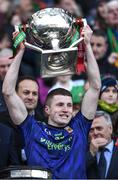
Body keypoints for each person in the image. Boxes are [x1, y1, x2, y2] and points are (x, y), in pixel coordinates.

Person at [2, 25, 101, 179]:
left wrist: (87, 45)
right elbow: (8, 92)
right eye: (60, 105)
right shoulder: (32, 128)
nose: (66, 109)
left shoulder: (79, 127)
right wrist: (20, 52)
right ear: (46, 109)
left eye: (69, 105)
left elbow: (95, 87)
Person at [87, 110, 118, 179]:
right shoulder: (82, 151)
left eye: (99, 128)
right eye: (91, 130)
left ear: (110, 129)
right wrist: (91, 153)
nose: (95, 133)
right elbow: (73, 172)